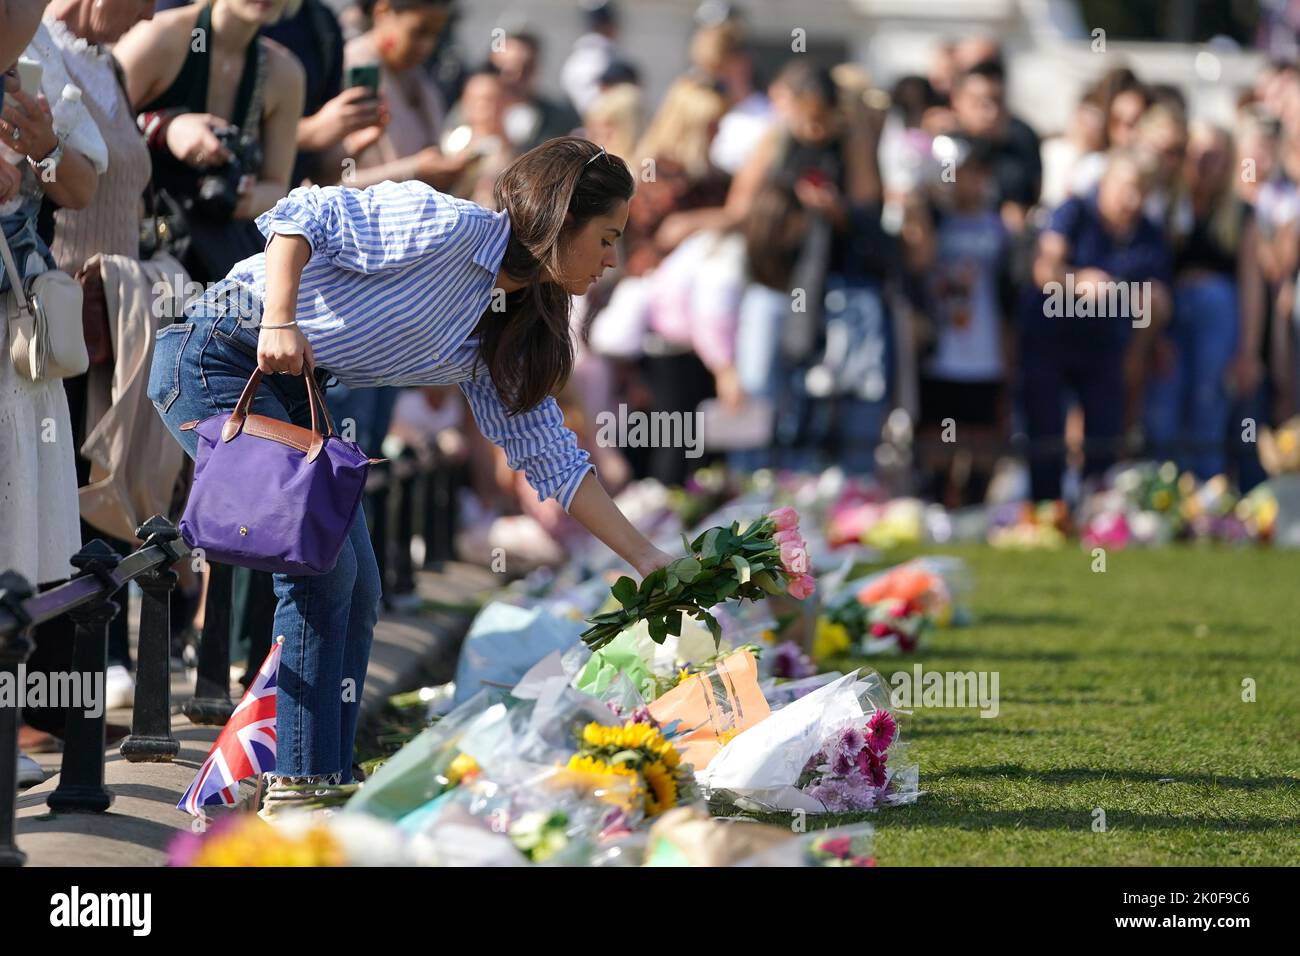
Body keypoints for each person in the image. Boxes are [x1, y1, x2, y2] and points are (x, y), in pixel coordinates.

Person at [146, 137, 673, 812]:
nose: (612, 258)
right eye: (606, 237)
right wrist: (280, 318)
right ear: (561, 217)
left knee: (359, 585)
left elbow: (556, 461)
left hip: (293, 386)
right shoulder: (449, 227)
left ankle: (326, 777)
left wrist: (650, 559)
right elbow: (300, 215)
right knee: (319, 568)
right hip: (219, 355)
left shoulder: (516, 320)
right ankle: (301, 785)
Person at [0, 19, 106, 787]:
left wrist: (40, 148)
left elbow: (80, 186)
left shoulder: (42, 69)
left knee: (16, 540)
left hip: (16, 335)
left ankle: (9, 734)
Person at [115, 0, 306, 284]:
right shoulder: (161, 37)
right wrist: (165, 129)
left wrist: (232, 197)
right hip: (130, 247)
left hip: (211, 255)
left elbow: (277, 186)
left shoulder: (284, 74)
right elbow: (94, 131)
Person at [1020, 150, 1173, 501]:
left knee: (1104, 435)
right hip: (1050, 337)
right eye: (1126, 188)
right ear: (1106, 184)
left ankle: (1096, 513)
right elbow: (1043, 269)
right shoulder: (1074, 212)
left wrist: (1140, 346)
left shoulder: (1148, 234)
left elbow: (1157, 298)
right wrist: (1078, 282)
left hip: (1103, 344)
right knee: (1046, 432)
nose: (1132, 200)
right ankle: (1047, 509)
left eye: (1141, 191)